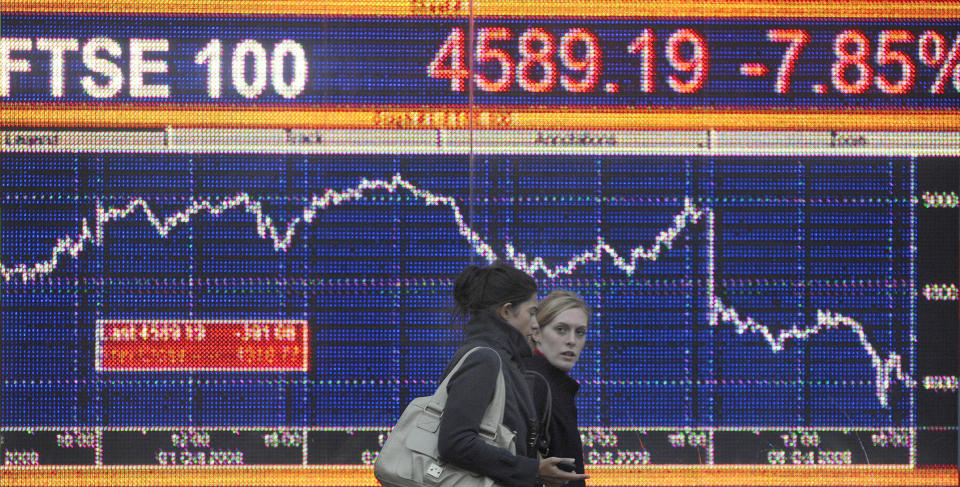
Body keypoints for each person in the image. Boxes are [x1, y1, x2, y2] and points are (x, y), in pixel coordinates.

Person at [438, 262, 588, 487]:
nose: (536, 324)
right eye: (532, 313)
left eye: (580, 332)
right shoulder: (485, 359)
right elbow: (455, 442)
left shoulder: (505, 363)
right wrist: (534, 470)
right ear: (507, 311)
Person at [524, 290, 591, 487]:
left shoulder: (555, 386)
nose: (572, 340)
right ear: (536, 332)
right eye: (561, 329)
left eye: (580, 332)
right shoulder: (533, 385)